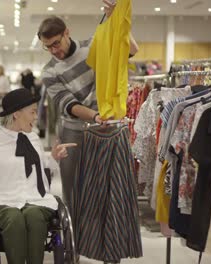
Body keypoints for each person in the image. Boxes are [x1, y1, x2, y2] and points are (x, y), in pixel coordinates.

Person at [39, 0, 139, 210]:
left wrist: (116, 18)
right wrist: (95, 116)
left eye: (56, 43)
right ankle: (75, 237)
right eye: (47, 46)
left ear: (67, 32)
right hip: (73, 133)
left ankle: (101, 238)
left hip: (107, 128)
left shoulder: (93, 45)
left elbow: (131, 50)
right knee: (73, 189)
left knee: (106, 188)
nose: (53, 51)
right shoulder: (49, 71)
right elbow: (68, 104)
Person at [0, 88, 76, 264]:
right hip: (2, 202)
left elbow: (42, 172)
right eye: (33, 112)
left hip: (37, 200)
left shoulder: (34, 139)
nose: (36, 117)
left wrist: (53, 158)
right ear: (16, 114)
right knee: (14, 219)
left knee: (34, 217)